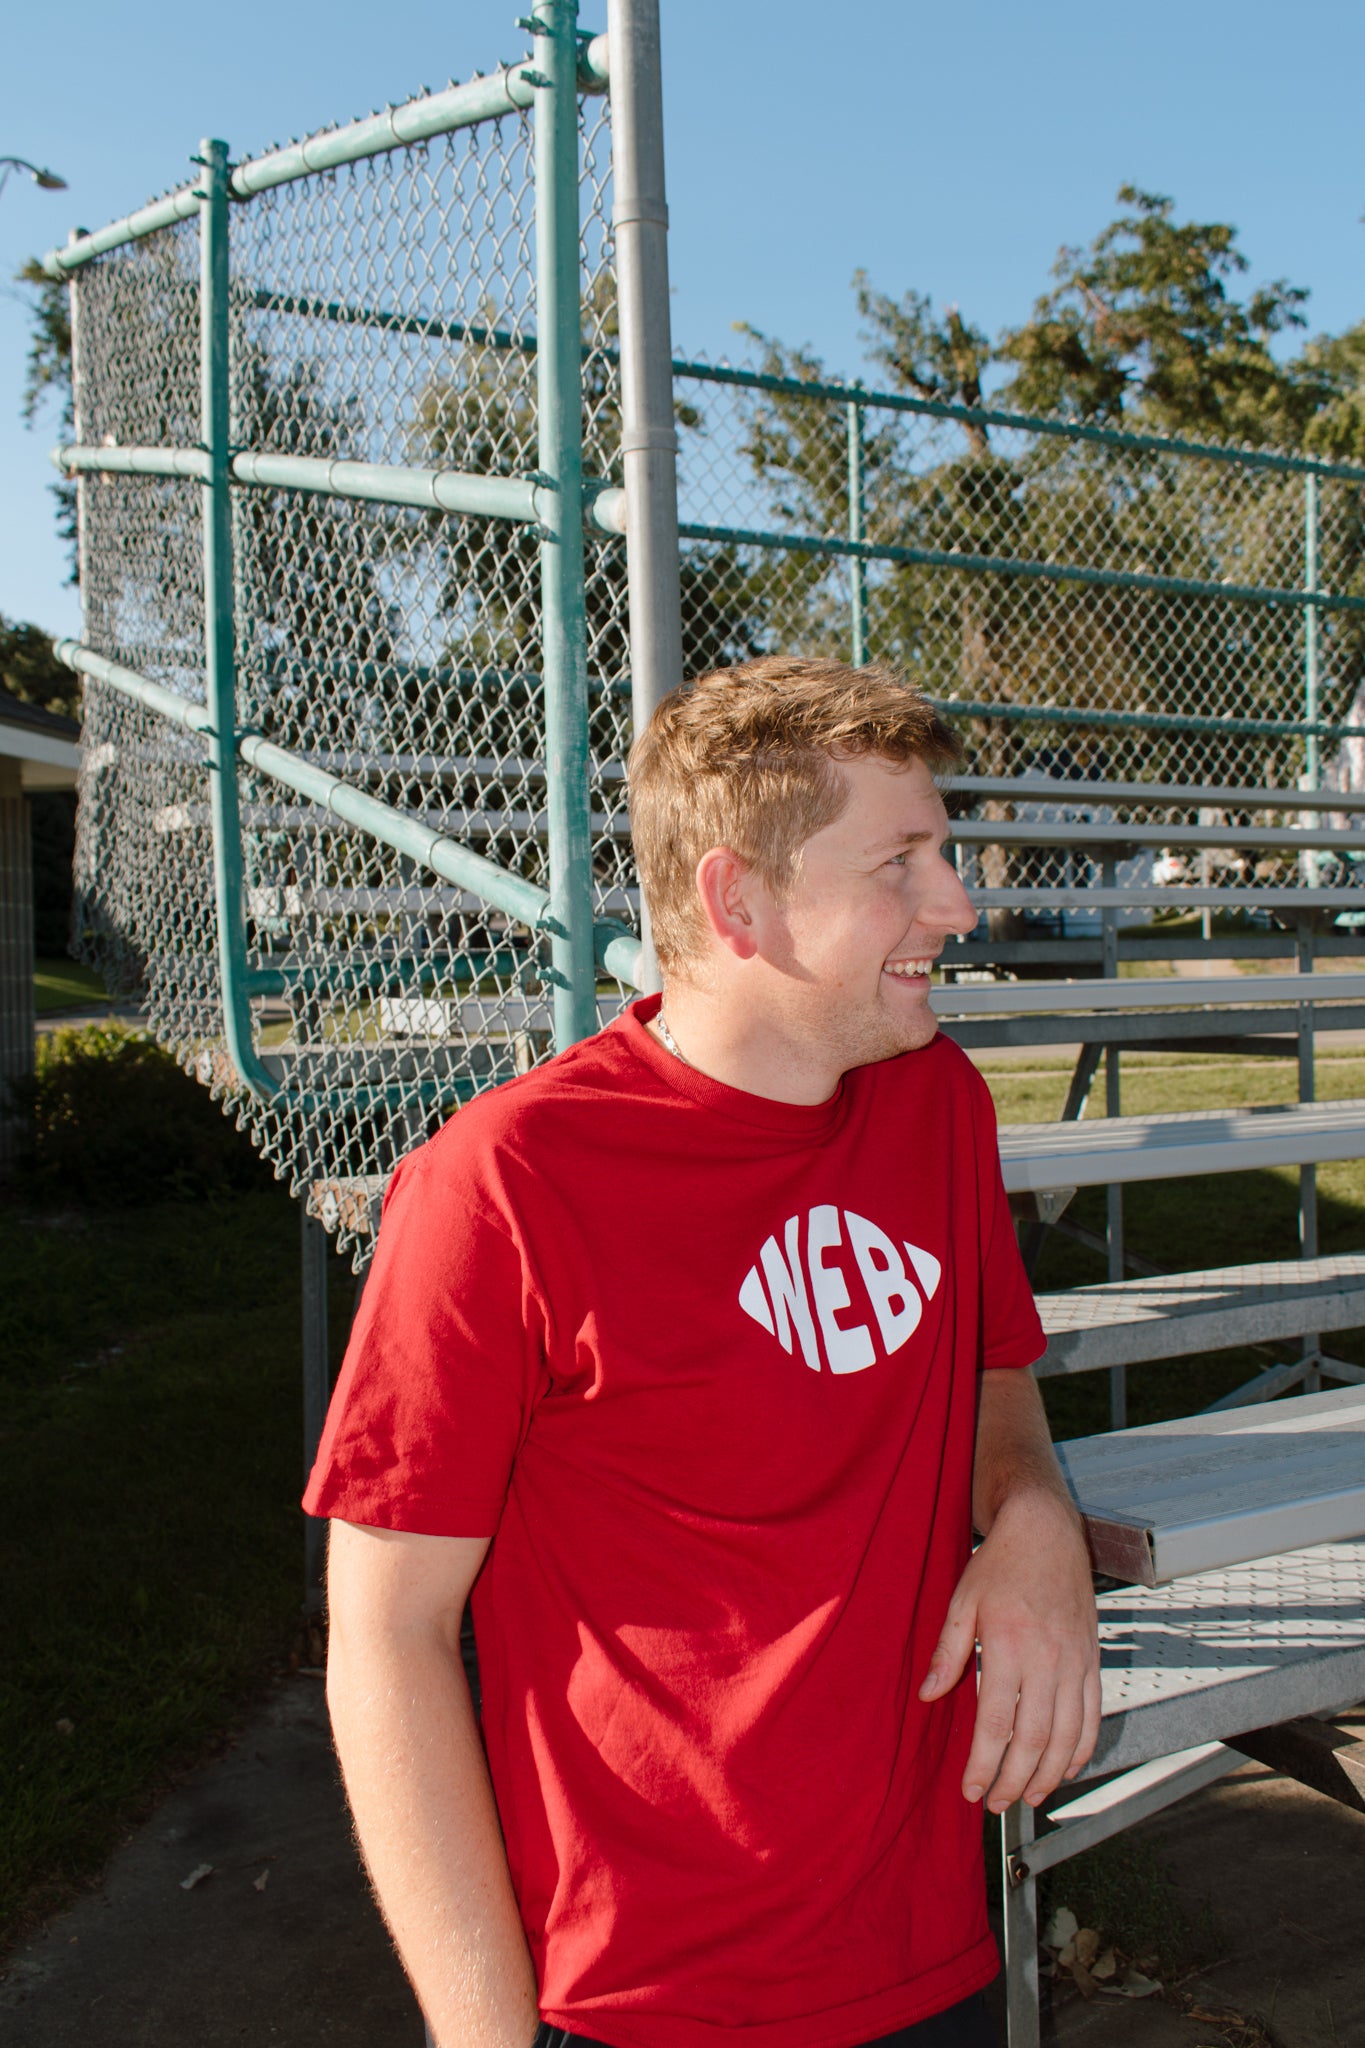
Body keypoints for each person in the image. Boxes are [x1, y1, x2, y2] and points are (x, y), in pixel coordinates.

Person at [305, 656, 1101, 2048]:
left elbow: (993, 1381)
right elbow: (387, 1632)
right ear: (738, 901)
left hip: (926, 1962)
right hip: (634, 2001)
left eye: (946, 851)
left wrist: (1032, 1519)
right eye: (901, 862)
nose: (956, 903)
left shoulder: (936, 1106)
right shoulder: (505, 1186)